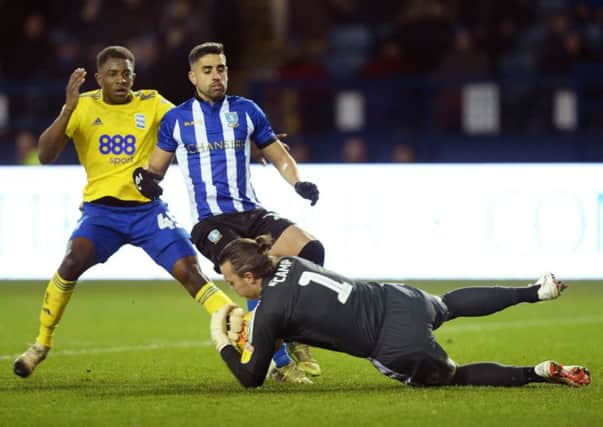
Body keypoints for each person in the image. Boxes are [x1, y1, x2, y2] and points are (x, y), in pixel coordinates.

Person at [13, 46, 234, 378]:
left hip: (147, 211)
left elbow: (192, 123)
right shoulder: (83, 106)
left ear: (134, 75)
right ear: (99, 78)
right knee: (72, 260)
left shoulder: (152, 103)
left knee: (191, 272)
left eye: (127, 73)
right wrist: (67, 110)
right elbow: (45, 154)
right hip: (101, 213)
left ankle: (242, 332)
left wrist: (250, 139)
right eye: (113, 74)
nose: (121, 80)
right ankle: (41, 344)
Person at [132, 42, 324, 384]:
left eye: (221, 68)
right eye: (208, 70)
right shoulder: (176, 120)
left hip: (252, 212)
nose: (217, 76)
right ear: (192, 76)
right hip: (211, 223)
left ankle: (289, 332)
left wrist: (298, 182)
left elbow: (278, 154)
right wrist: (144, 181)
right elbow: (154, 170)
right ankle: (281, 362)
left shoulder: (246, 110)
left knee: (310, 249)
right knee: (253, 269)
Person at [210, 235, 592, 389]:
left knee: (452, 377)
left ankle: (537, 372)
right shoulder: (290, 262)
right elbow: (303, 309)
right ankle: (534, 291)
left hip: (392, 343)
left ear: (247, 275)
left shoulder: (271, 309)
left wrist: (223, 345)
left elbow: (251, 378)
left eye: (231, 282)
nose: (233, 288)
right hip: (397, 298)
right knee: (449, 304)